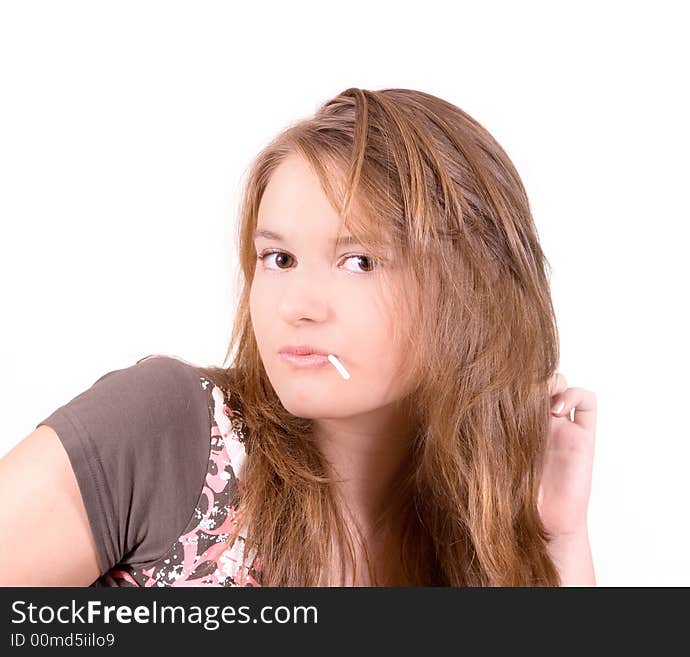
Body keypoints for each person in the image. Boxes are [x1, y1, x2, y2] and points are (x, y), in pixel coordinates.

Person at [0, 87, 597, 587]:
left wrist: (555, 543)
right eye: (279, 258)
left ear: (474, 287)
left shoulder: (469, 543)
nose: (297, 307)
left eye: (359, 261)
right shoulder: (173, 430)